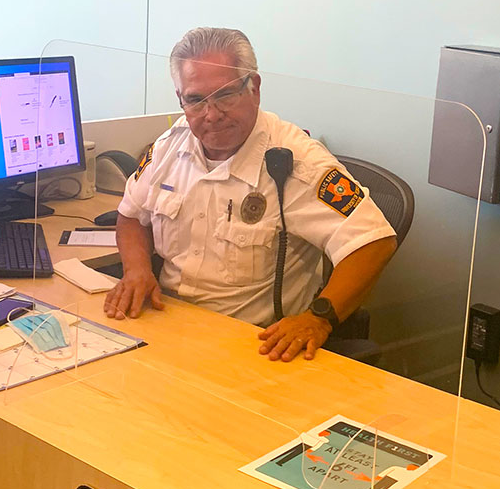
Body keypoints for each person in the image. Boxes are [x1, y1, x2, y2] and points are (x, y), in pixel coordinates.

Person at [104, 27, 397, 362]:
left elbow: (375, 243)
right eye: (196, 100)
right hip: (168, 330)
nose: (211, 114)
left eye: (225, 96)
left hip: (255, 346)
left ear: (254, 88)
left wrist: (319, 319)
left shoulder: (297, 163)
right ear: (180, 99)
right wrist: (137, 270)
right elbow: (131, 214)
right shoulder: (171, 146)